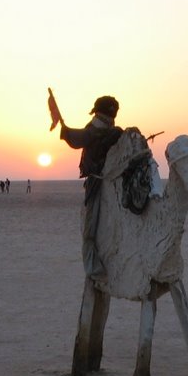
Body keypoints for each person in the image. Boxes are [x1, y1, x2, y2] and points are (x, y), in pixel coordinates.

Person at [55, 95, 123, 278]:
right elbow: (77, 139)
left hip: (105, 181)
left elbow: (76, 140)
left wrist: (65, 131)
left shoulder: (101, 131)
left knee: (90, 227)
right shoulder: (107, 132)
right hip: (104, 181)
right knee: (93, 225)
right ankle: (97, 264)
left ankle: (96, 265)